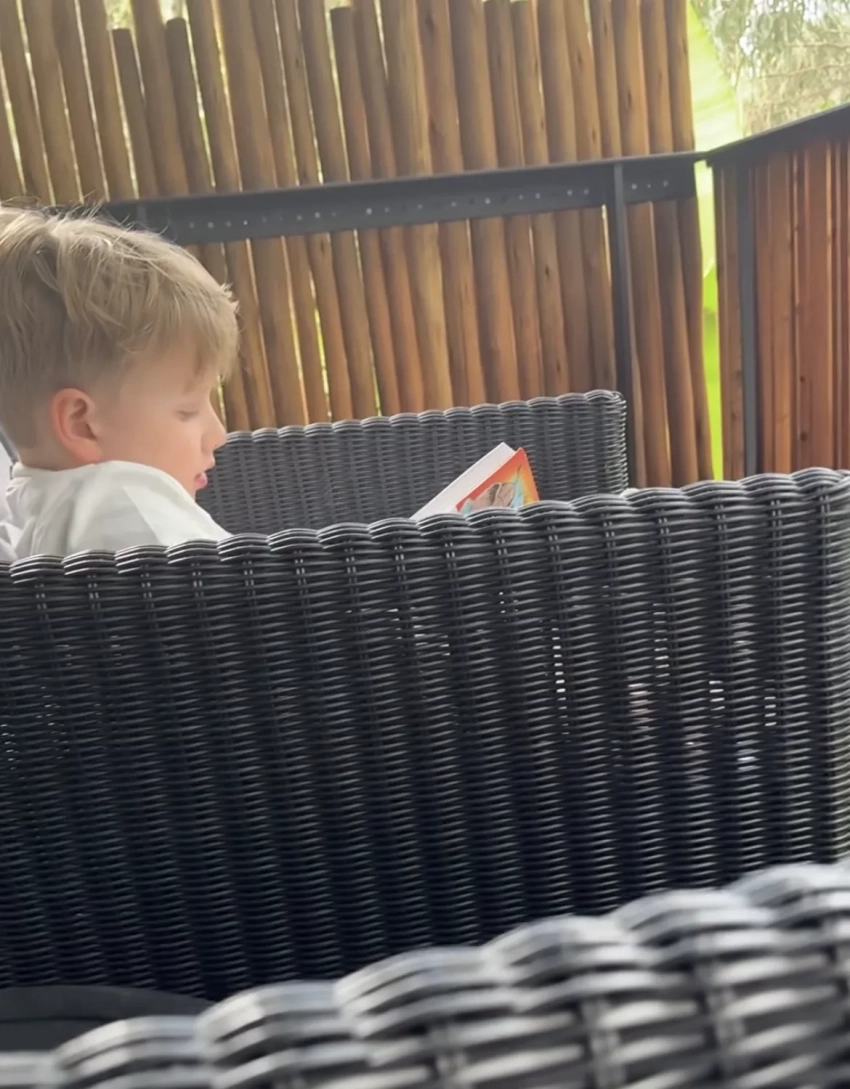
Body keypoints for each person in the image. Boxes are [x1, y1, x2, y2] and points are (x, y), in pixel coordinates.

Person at [0, 206, 237, 559]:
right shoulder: (129, 512)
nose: (218, 435)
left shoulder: (31, 507)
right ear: (81, 423)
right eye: (187, 411)